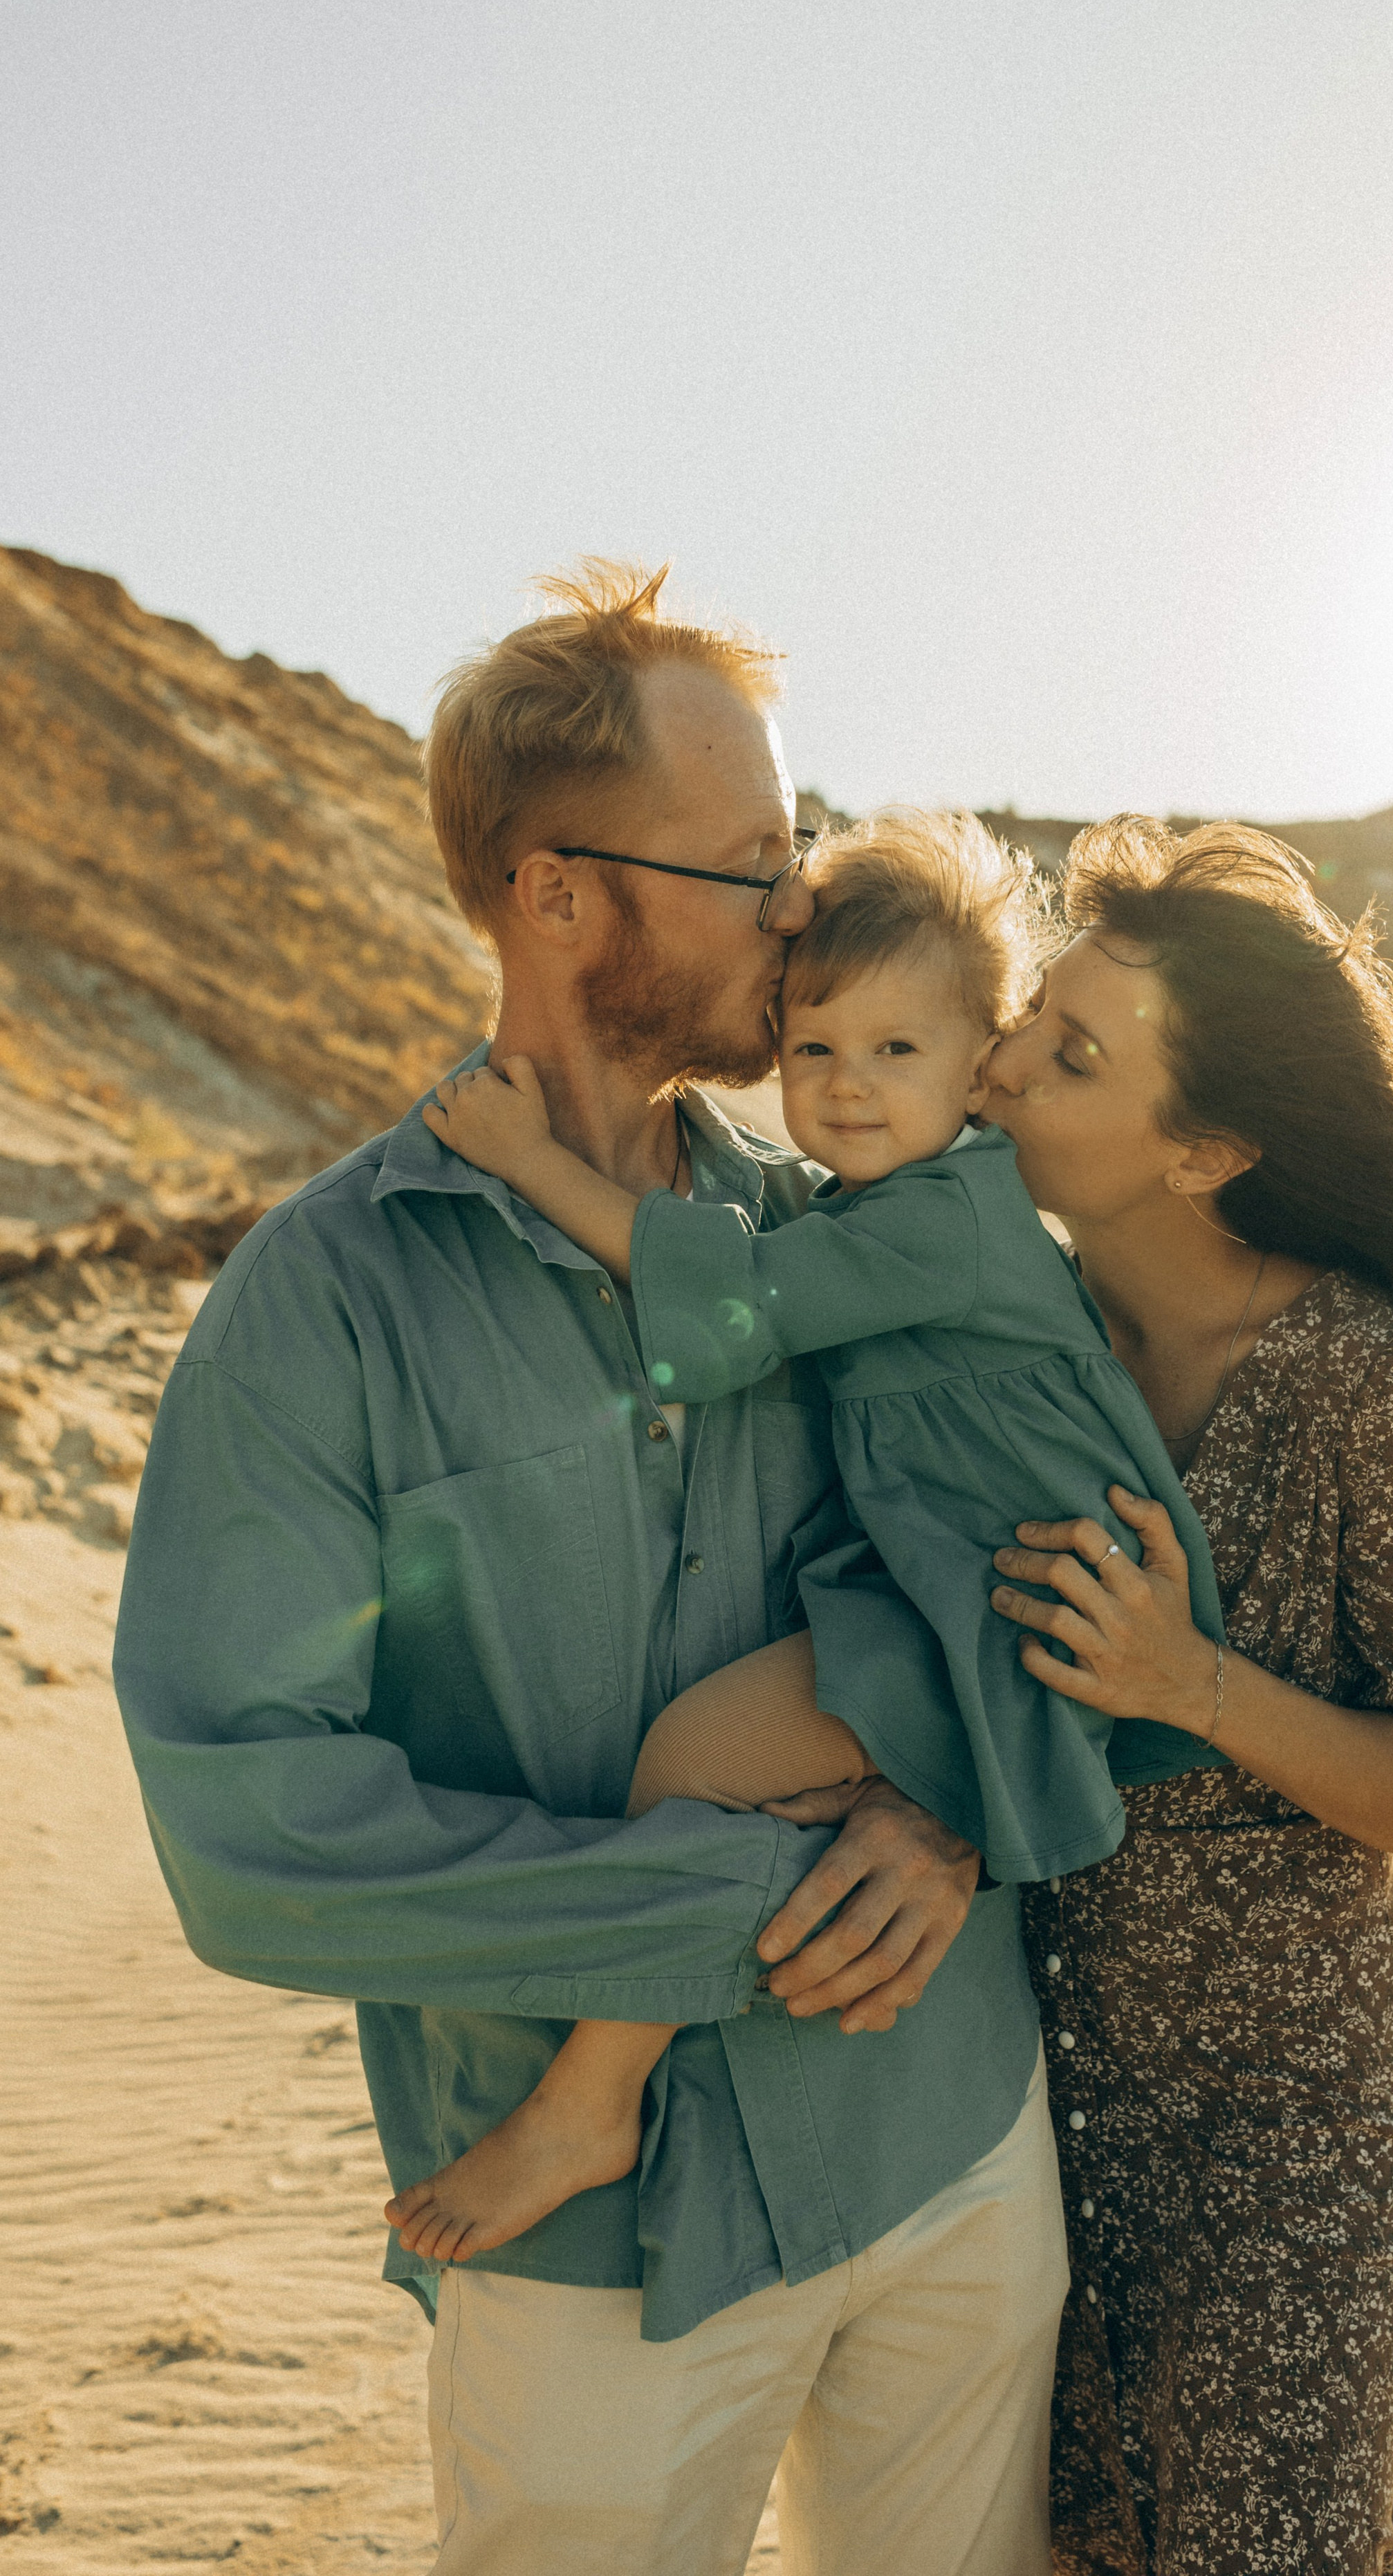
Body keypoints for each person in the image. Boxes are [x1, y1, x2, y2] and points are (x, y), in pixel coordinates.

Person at [111, 563, 1067, 2576]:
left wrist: (943, 1811)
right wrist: (739, 1905)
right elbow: (254, 1824)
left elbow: (1015, 1546)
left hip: (950, 2129)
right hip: (585, 2245)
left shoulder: (842, 1229)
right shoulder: (320, 1307)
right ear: (560, 898)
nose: (802, 906)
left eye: (797, 846)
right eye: (748, 863)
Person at [387, 810, 1230, 2265]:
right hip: (965, 1583)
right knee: (733, 1775)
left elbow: (731, 1312)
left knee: (691, 1762)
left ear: (983, 1058)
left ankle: (593, 2096)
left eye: (897, 1052)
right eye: (814, 1049)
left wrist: (530, 1161)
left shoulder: (947, 1221)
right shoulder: (900, 1198)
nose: (846, 1088)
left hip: (1014, 1614)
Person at [980, 817, 1393, 2576]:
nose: (1001, 1060)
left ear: (1208, 1147)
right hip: (1031, 2136)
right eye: (1026, 1016)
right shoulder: (1020, 1348)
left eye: (1070, 1055)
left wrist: (1191, 1682)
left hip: (1291, 2155)